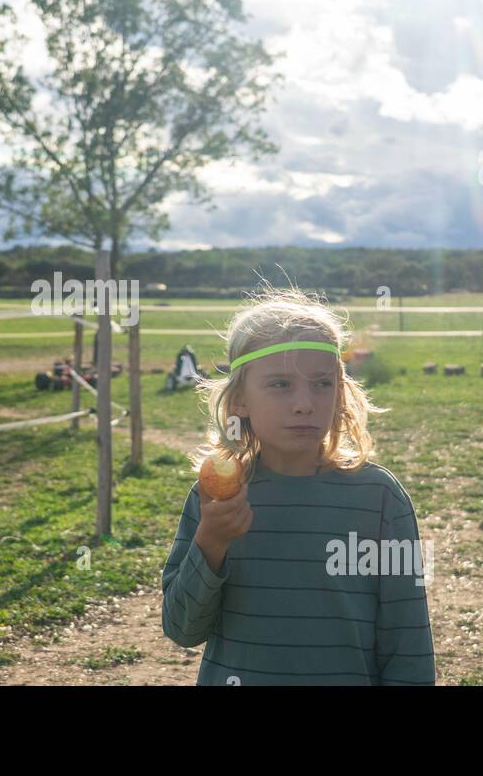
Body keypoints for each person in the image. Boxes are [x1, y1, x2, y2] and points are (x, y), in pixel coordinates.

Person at [161, 284, 435, 685]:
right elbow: (182, 629)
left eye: (322, 383)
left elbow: (407, 641)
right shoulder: (218, 502)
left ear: (340, 393)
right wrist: (211, 542)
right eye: (280, 384)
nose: (304, 402)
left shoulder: (379, 499)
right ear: (239, 401)